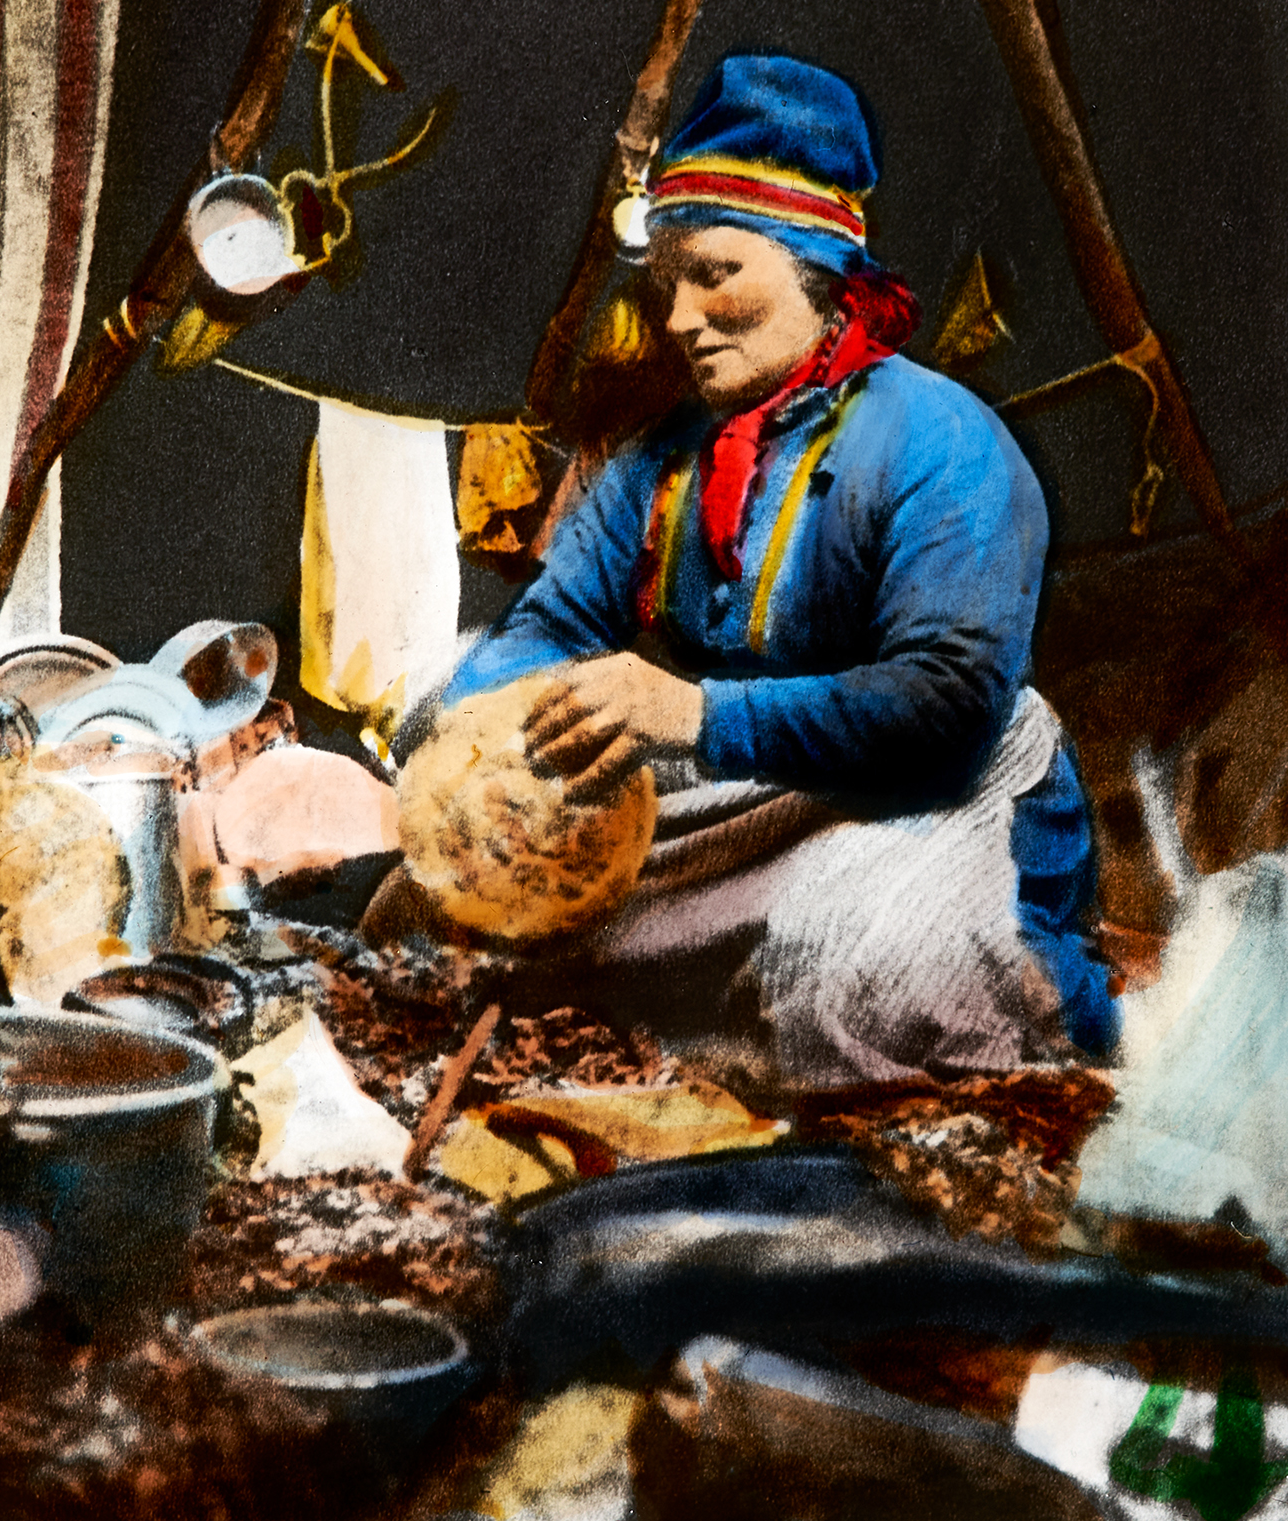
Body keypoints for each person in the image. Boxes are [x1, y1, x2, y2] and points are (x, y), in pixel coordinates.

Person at [441, 54, 1116, 1086]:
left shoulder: (941, 443)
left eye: (716, 274)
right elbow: (551, 627)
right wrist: (472, 723)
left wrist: (692, 713)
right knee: (450, 880)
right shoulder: (661, 461)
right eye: (667, 283)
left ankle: (1045, 996)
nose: (678, 317)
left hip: (938, 789)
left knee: (852, 976)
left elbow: (946, 704)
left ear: (818, 270)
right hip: (745, 790)